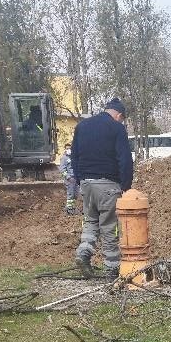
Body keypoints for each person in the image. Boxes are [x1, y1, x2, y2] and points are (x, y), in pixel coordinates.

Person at [72, 98, 133, 279]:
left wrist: (80, 179)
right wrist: (126, 187)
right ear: (119, 115)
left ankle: (83, 253)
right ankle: (111, 269)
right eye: (122, 119)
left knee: (91, 221)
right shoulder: (117, 128)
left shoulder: (82, 126)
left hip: (86, 184)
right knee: (110, 226)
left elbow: (74, 156)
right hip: (108, 185)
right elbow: (125, 160)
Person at [59, 144, 78, 214]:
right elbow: (62, 170)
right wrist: (68, 177)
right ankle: (69, 209)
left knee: (75, 194)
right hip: (70, 179)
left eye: (70, 148)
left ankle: (72, 207)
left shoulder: (74, 157)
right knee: (70, 194)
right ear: (65, 149)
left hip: (76, 178)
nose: (68, 150)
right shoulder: (64, 158)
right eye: (67, 148)